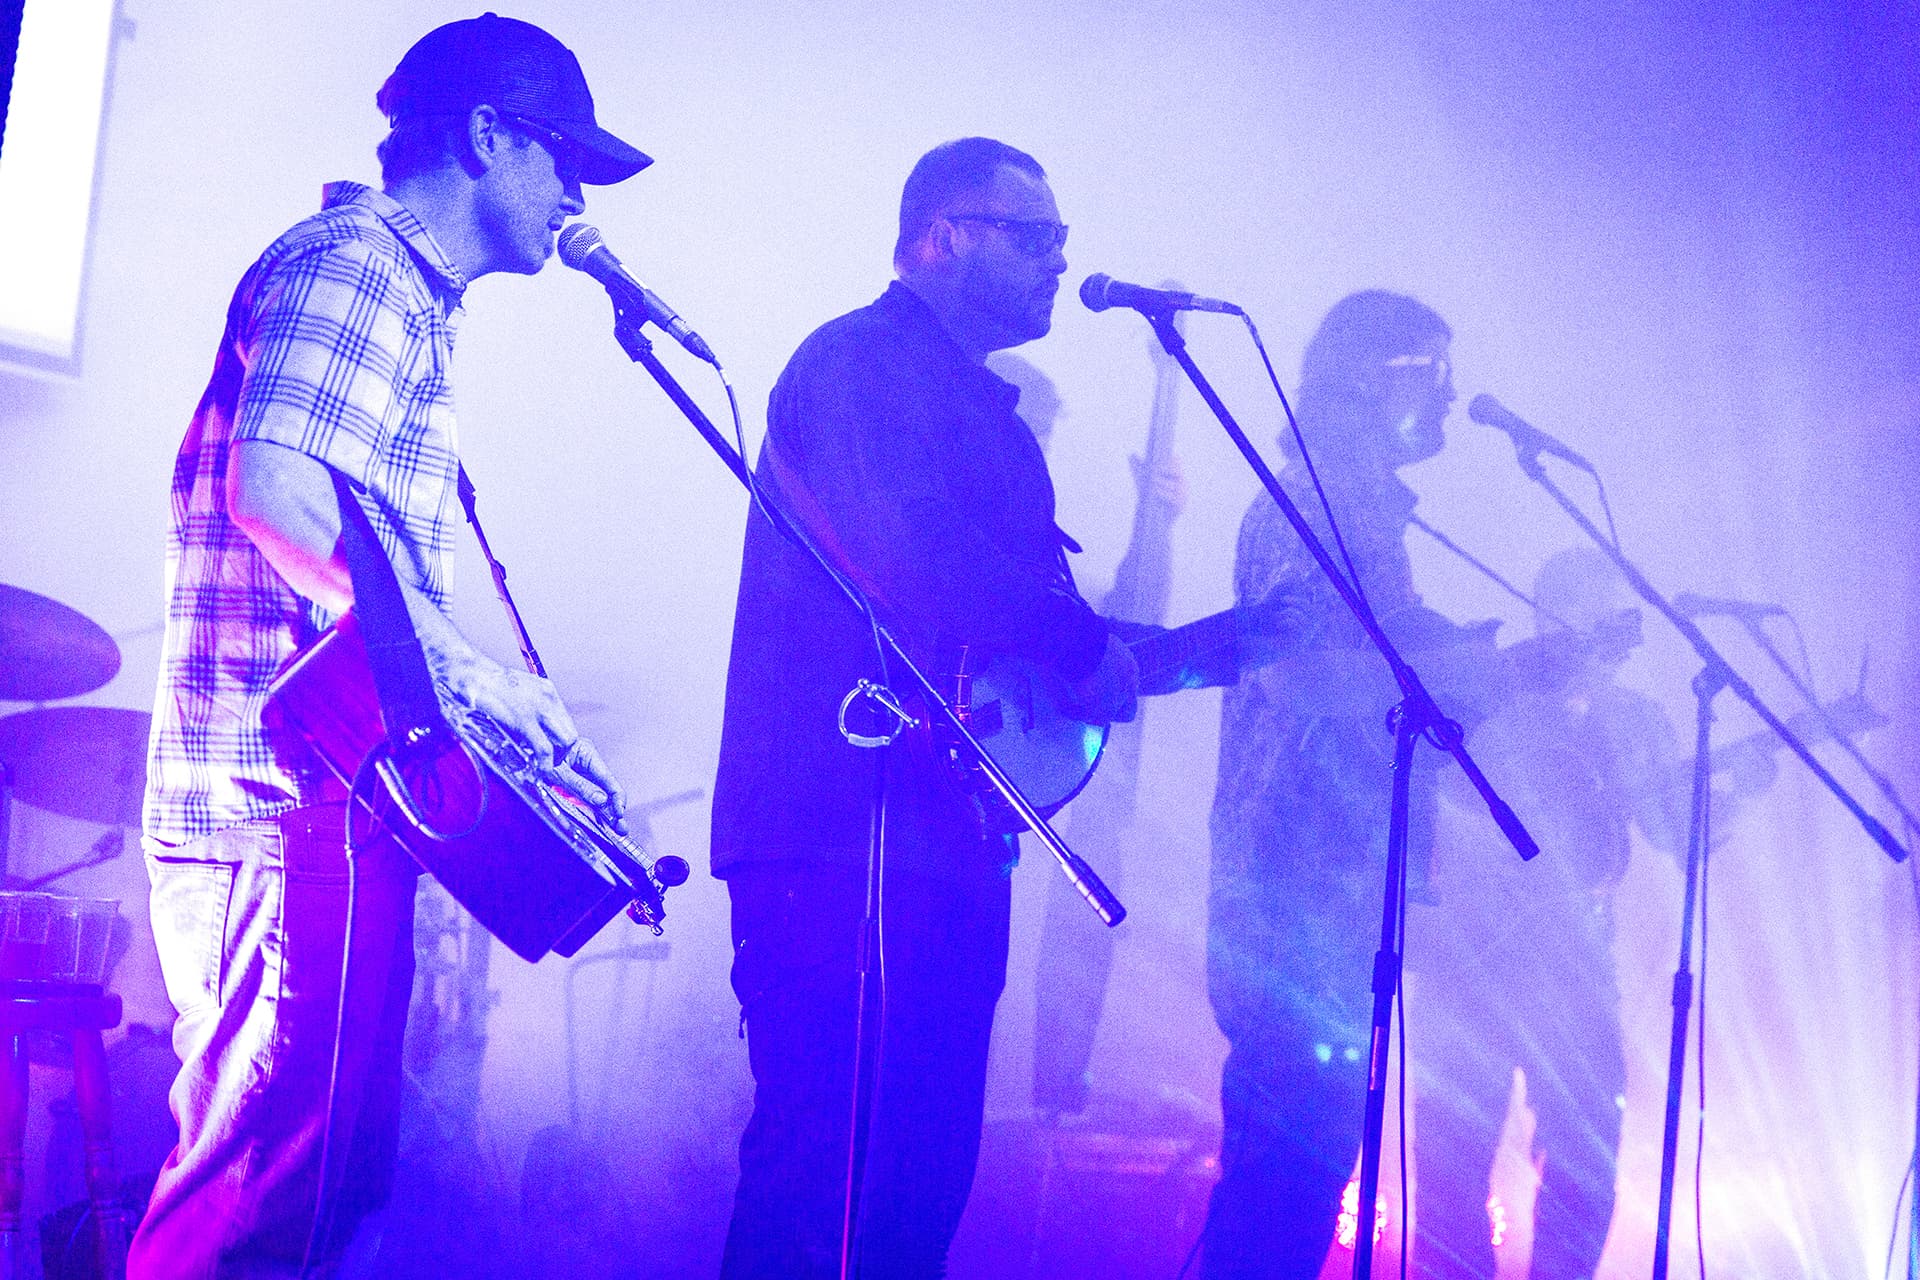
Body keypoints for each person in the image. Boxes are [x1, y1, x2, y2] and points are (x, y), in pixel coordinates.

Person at [134, 15, 647, 1276]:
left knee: (307, 1199)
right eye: (562, 154)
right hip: (279, 814)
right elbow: (279, 487)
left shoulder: (391, 289)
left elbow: (355, 580)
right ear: (485, 137)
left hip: (315, 810)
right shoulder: (361, 265)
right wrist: (465, 677)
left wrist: (490, 708)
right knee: (248, 1209)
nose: (578, 191)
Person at [709, 136, 1140, 1278]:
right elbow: (916, 548)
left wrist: (1117, 653)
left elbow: (998, 614)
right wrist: (1074, 640)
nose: (1059, 261)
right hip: (843, 827)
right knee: (824, 1165)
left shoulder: (982, 410)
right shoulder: (858, 362)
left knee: (917, 1170)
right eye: (1034, 235)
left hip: (941, 833)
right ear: (942, 237)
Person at [1202, 290, 1474, 1278]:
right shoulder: (1315, 501)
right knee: (1277, 1194)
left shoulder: (1362, 508)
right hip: (1290, 881)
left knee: (1300, 1186)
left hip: (1334, 884)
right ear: (1365, 377)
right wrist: (1448, 672)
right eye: (1428, 373)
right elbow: (1297, 672)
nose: (1450, 397)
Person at [1409, 546, 1695, 1280]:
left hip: (1574, 968)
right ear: (1552, 616)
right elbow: (1447, 793)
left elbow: (1673, 829)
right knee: (1449, 1164)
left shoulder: (1636, 719)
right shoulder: (1497, 691)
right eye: (1595, 611)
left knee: (1586, 1154)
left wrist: (1724, 793)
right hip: (1471, 957)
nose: (1613, 629)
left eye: (1618, 614)